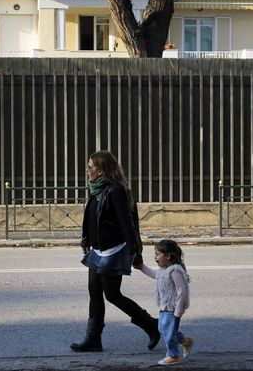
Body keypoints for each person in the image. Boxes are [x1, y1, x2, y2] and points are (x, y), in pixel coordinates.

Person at [70, 150, 160, 353]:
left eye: (90, 167)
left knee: (112, 294)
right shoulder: (96, 190)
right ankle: (93, 339)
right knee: (94, 291)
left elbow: (128, 223)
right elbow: (91, 217)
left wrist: (135, 251)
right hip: (97, 250)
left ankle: (151, 325)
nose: (87, 170)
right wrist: (86, 238)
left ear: (100, 171)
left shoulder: (115, 191)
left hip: (114, 250)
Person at [136, 239, 193, 366]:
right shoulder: (163, 270)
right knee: (163, 329)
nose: (155, 257)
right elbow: (154, 274)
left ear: (168, 256)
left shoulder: (175, 270)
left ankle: (173, 355)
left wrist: (178, 311)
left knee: (168, 332)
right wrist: (141, 267)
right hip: (164, 307)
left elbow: (182, 291)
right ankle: (185, 340)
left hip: (173, 309)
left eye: (157, 254)